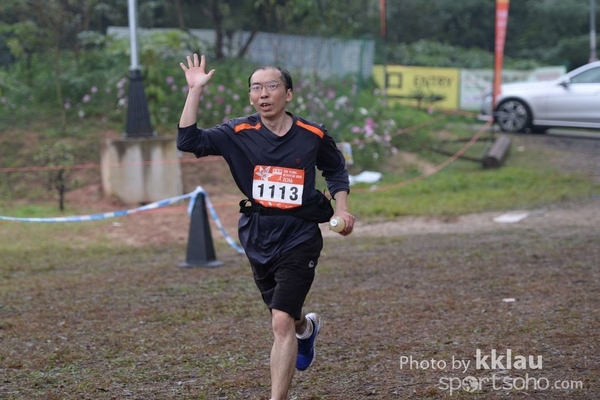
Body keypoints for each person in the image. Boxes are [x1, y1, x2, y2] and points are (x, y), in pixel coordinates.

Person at [177, 53, 354, 400]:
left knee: (279, 322)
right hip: (257, 233)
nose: (263, 94)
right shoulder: (237, 132)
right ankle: (307, 330)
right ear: (250, 97)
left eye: (272, 86)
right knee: (286, 316)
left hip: (300, 232)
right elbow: (188, 142)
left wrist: (343, 209)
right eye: (256, 88)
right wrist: (195, 90)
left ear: (288, 94)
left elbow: (335, 169)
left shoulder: (312, 134)